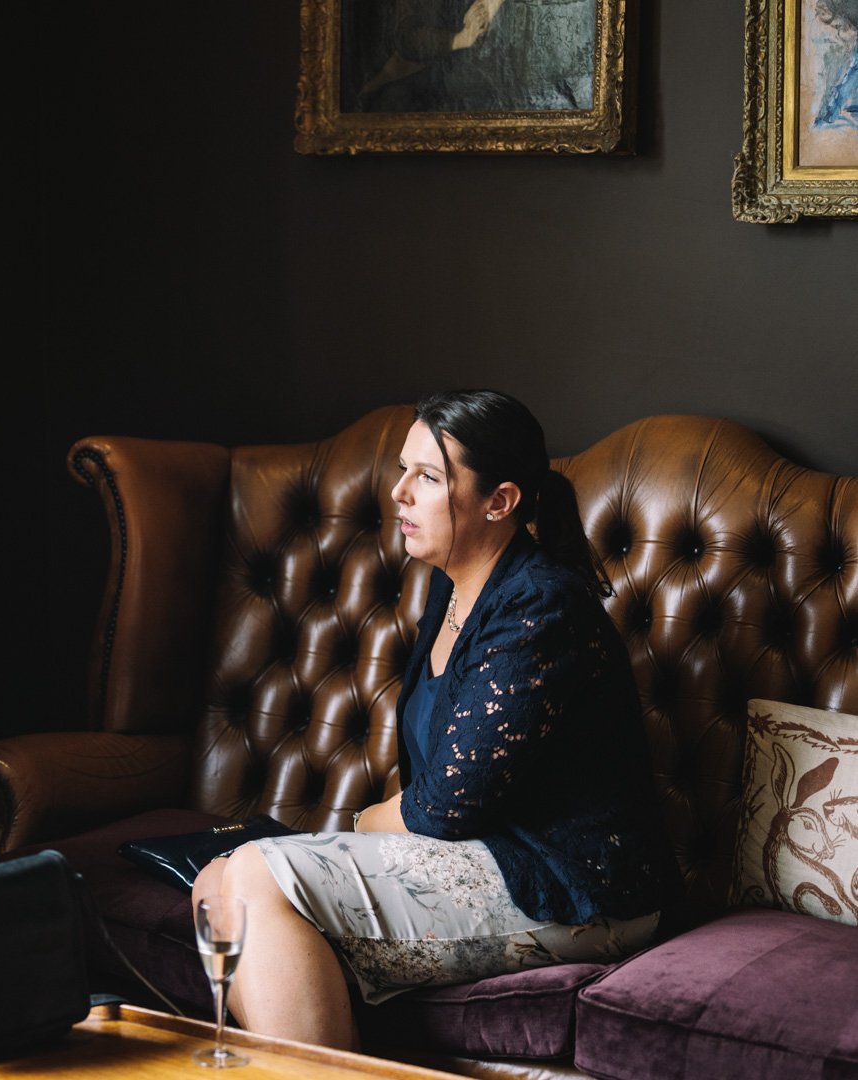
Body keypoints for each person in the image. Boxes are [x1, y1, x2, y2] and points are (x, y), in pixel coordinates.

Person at [193, 389, 674, 1050]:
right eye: (403, 469)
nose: (399, 493)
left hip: (577, 887)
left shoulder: (540, 605)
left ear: (499, 501)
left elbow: (448, 805)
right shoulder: (450, 584)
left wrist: (361, 825)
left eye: (427, 477)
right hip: (480, 856)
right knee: (214, 882)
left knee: (252, 875)